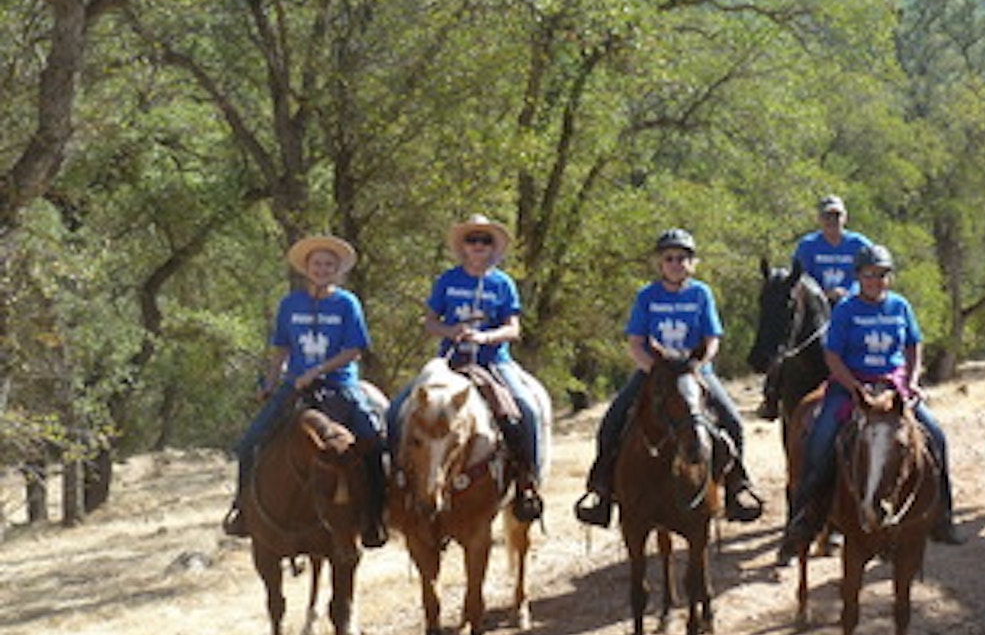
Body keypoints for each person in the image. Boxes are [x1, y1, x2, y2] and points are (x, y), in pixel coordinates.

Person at [778, 244, 966, 550]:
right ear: (858, 276)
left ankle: (942, 516)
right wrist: (854, 386)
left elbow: (913, 346)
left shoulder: (900, 306)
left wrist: (911, 379)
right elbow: (832, 355)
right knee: (820, 439)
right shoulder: (845, 309)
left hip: (893, 387)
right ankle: (805, 518)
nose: (875, 281)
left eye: (881, 275)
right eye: (869, 275)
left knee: (936, 436)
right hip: (850, 385)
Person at [574, 228, 764, 528]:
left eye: (683, 258)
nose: (676, 263)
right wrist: (654, 369)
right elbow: (636, 341)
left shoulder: (701, 294)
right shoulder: (647, 296)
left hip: (695, 372)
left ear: (693, 263)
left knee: (732, 422)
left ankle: (737, 488)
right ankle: (602, 490)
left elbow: (712, 338)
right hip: (654, 372)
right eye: (669, 258)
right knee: (612, 421)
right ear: (660, 264)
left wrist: (699, 364)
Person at [224, 235, 388, 547]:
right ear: (306, 268)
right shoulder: (290, 304)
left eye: (329, 264)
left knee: (374, 441)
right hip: (295, 384)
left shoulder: (347, 303)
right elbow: (281, 349)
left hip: (340, 384)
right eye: (317, 264)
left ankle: (375, 517)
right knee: (249, 444)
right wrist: (270, 383)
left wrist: (317, 371)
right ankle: (242, 512)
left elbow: (354, 350)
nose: (322, 269)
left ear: (337, 270)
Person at [387, 214, 545, 522]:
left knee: (524, 409)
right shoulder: (448, 280)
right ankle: (399, 480)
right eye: (472, 240)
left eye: (484, 241)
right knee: (396, 410)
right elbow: (431, 322)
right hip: (450, 362)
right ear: (464, 246)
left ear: (492, 247)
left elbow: (513, 328)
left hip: (493, 362)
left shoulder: (502, 283)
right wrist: (451, 331)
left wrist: (485, 336)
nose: (478, 246)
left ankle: (527, 482)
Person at [757, 195, 874, 420]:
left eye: (836, 215)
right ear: (819, 219)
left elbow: (870, 274)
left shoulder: (859, 244)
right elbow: (800, 278)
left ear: (845, 217)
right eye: (827, 215)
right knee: (791, 341)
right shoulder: (808, 245)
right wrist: (822, 293)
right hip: (817, 307)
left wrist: (847, 292)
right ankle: (772, 391)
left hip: (851, 304)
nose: (832, 220)